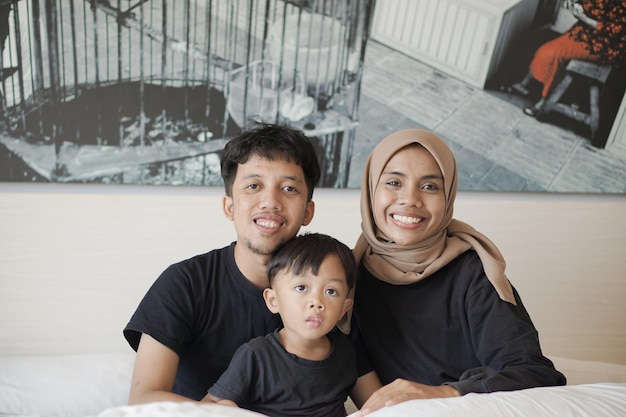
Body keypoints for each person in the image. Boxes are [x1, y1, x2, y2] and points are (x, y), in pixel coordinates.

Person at [347, 129, 566, 414]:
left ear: (448, 195)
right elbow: (367, 390)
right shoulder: (348, 278)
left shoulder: (473, 271)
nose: (410, 199)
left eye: (430, 187)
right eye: (393, 182)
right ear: (371, 189)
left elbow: (536, 374)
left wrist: (443, 394)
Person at [123, 122, 321, 403]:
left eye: (289, 188)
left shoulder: (329, 287)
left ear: (307, 211)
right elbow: (145, 398)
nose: (270, 202)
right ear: (229, 206)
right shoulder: (185, 282)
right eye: (254, 186)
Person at [202, 232, 358, 417]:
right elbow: (210, 403)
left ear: (344, 308)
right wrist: (226, 407)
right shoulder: (256, 355)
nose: (316, 301)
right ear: (273, 300)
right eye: (301, 288)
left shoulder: (345, 351)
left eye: (331, 291)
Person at [504, 0, 625, 116]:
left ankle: (543, 103)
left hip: (603, 45)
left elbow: (616, 30)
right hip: (584, 33)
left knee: (555, 55)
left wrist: (585, 18)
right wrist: (575, 4)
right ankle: (523, 85)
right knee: (545, 49)